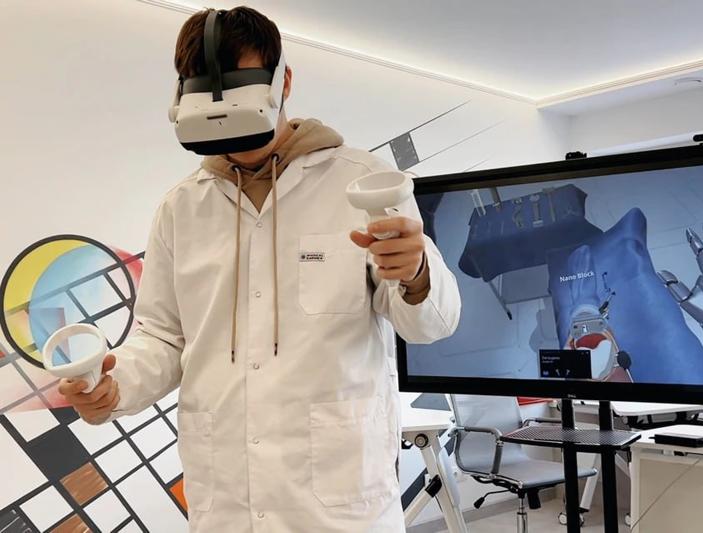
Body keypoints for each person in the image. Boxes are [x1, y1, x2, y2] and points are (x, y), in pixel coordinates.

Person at [57, 6, 460, 532]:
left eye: (240, 89)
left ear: (283, 81)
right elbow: (162, 336)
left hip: (340, 505)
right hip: (227, 502)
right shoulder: (181, 208)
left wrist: (416, 273)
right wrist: (117, 388)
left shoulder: (363, 182)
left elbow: (430, 325)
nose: (224, 112)